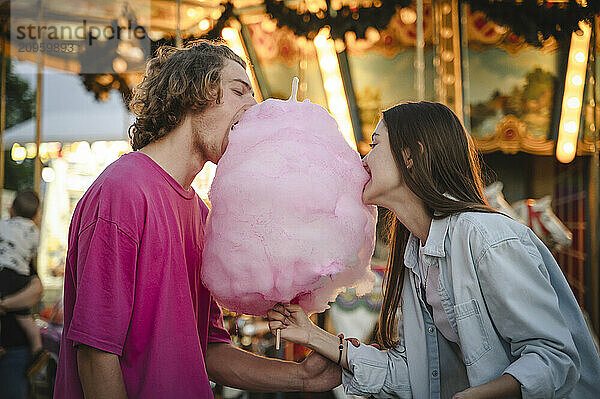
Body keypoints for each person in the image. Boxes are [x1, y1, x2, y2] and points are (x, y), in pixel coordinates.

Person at [54, 41, 340, 399]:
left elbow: (208, 349)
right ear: (195, 94)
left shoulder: (203, 216)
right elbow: (97, 353)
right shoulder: (123, 191)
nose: (252, 108)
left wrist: (302, 377)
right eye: (239, 91)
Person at [268, 102, 600, 398]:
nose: (364, 159)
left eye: (374, 144)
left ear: (411, 155)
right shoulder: (417, 255)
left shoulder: (486, 238)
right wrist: (311, 335)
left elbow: (555, 359)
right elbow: (418, 377)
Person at [0, 190, 50, 376]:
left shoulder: (4, 225)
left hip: (4, 273)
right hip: (20, 276)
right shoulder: (34, 232)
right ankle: (37, 348)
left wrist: (4, 304)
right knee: (25, 317)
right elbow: (37, 287)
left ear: (11, 209)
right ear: (37, 215)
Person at [0, 263, 44, 398]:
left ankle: (38, 351)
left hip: (13, 349)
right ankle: (38, 349)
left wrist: (4, 303)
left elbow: (37, 290)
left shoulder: (13, 256)